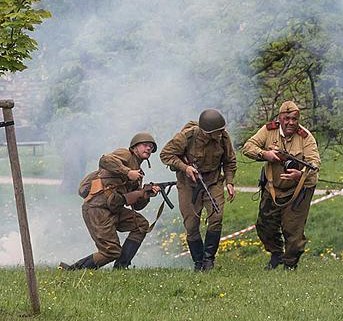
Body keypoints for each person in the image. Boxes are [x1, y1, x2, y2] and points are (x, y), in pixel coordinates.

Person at [60, 133, 161, 270]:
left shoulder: (139, 174)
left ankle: (121, 267)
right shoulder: (125, 154)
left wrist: (146, 194)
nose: (148, 148)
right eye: (145, 145)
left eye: (151, 147)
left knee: (141, 225)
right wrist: (127, 172)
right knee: (111, 251)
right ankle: (72, 270)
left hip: (114, 208)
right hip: (97, 208)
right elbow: (105, 160)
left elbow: (136, 206)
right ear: (134, 147)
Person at [241, 100, 320, 270]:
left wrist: (300, 175)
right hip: (273, 187)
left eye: (294, 119)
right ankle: (276, 254)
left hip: (299, 190)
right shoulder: (268, 130)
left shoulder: (306, 137)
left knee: (293, 230)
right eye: (287, 118)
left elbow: (315, 164)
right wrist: (265, 154)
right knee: (264, 226)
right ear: (280, 118)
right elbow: (247, 147)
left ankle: (290, 265)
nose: (291, 122)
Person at [159, 109, 237, 271]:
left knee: (216, 216)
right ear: (206, 131)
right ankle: (198, 262)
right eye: (216, 132)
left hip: (213, 181)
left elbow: (229, 161)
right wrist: (185, 167)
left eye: (221, 131)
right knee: (191, 224)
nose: (220, 134)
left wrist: (229, 182)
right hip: (189, 184)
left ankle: (209, 260)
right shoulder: (187, 137)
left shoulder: (223, 137)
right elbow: (165, 155)